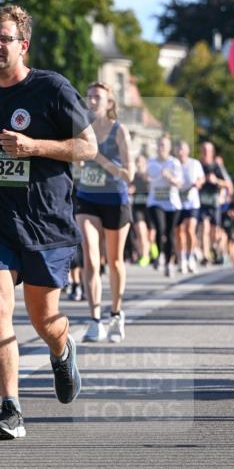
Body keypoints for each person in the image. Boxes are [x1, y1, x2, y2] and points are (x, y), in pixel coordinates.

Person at [0, 4, 97, 440]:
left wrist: (34, 146)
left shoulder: (52, 89)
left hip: (46, 221)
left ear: (23, 45)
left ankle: (62, 348)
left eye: (4, 39)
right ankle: (11, 408)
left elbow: (88, 147)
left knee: (44, 320)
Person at [76, 82, 134, 344]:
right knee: (90, 254)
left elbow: (129, 174)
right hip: (87, 197)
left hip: (115, 199)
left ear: (109, 103)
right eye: (89, 97)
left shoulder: (120, 132)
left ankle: (116, 313)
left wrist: (98, 158)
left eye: (98, 97)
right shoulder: (82, 130)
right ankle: (94, 319)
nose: (92, 101)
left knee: (115, 261)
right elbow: (76, 161)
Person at [146, 134, 183, 277]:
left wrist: (169, 177)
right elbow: (145, 178)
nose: (161, 148)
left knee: (169, 233)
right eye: (159, 145)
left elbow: (179, 184)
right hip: (155, 201)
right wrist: (145, 177)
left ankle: (169, 262)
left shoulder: (174, 163)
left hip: (172, 203)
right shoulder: (151, 162)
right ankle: (160, 255)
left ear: (169, 148)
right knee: (160, 229)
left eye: (164, 146)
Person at [198, 141, 232, 265]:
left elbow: (228, 184)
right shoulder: (198, 165)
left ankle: (215, 248)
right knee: (204, 228)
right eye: (204, 150)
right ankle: (205, 256)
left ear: (212, 152)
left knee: (215, 232)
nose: (206, 153)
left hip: (214, 202)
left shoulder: (217, 166)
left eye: (208, 150)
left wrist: (216, 181)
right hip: (202, 203)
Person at [174, 140, 204, 274]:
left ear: (187, 151)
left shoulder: (194, 164)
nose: (180, 152)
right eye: (178, 149)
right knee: (179, 232)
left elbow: (201, 178)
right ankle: (182, 259)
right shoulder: (173, 164)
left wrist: (198, 182)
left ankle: (190, 256)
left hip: (192, 202)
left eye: (183, 149)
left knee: (190, 230)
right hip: (177, 202)